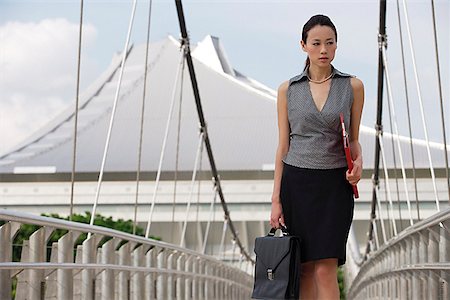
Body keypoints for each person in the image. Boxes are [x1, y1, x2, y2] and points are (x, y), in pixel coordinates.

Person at [270, 14, 364, 299]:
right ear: (303, 45)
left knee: (326, 268)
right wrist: (276, 199)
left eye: (330, 43)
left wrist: (358, 167)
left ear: (336, 46)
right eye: (317, 43)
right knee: (306, 268)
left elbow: (355, 140)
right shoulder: (287, 90)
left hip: (335, 186)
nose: (324, 49)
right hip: (297, 184)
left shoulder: (353, 86)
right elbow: (283, 147)